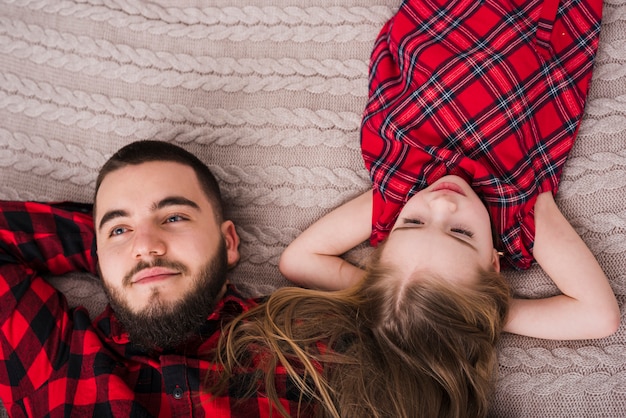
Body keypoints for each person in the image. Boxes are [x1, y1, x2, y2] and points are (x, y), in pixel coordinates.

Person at [211, 1, 621, 417]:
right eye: (461, 233)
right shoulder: (519, 217)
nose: (441, 203)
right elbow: (599, 316)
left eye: (415, 223)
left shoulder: (395, 196)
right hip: (529, 23)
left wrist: (386, 298)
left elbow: (299, 260)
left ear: (387, 239)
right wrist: (484, 312)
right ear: (493, 267)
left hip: (445, 24)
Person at [0, 140, 316, 417]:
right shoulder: (55, 366)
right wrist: (110, 252)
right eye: (119, 229)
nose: (146, 246)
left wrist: (116, 242)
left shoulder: (305, 341)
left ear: (229, 243)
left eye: (174, 217)